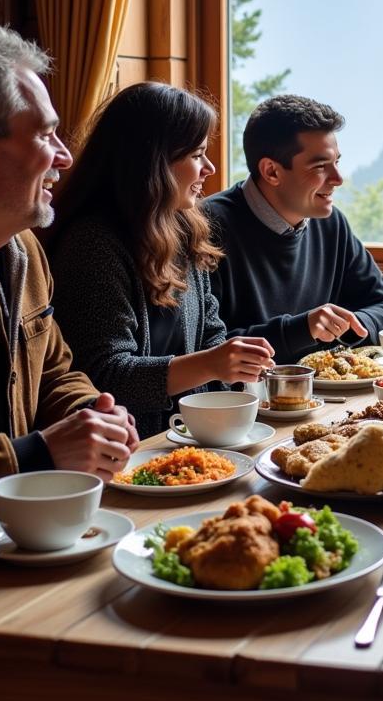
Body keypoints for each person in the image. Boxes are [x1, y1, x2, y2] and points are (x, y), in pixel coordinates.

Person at [0, 21, 138, 533]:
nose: (66, 158)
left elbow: (55, 371)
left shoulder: (24, 248)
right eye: (47, 135)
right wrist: (35, 454)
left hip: (17, 536)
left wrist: (94, 416)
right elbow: (35, 452)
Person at [48, 83, 275, 439]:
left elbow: (211, 334)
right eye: (197, 154)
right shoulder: (92, 245)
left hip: (189, 438)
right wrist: (212, 364)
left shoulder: (183, 227)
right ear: (153, 161)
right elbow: (103, 377)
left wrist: (236, 368)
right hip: (129, 448)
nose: (210, 168)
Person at [204, 94, 383, 362]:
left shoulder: (332, 224)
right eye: (321, 166)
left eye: (337, 162)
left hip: (324, 399)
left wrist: (345, 326)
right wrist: (301, 330)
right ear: (271, 172)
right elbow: (203, 350)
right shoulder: (205, 229)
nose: (338, 179)